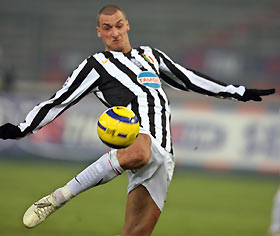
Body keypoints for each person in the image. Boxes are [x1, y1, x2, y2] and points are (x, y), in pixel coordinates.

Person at [0, 5, 275, 236]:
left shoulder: (150, 56)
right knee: (142, 149)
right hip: (138, 138)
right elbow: (60, 99)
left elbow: (190, 79)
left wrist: (239, 92)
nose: (114, 32)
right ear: (99, 32)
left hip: (165, 156)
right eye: (107, 28)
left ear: (127, 25)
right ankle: (59, 197)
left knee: (135, 234)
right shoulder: (96, 65)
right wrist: (23, 128)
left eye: (118, 25)